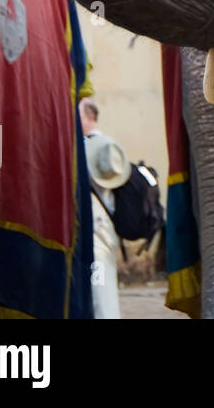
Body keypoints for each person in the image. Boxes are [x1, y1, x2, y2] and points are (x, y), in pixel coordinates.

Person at [82, 98, 130, 319]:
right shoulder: (108, 145)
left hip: (96, 233)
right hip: (103, 231)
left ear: (90, 117)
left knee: (100, 290)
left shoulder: (96, 147)